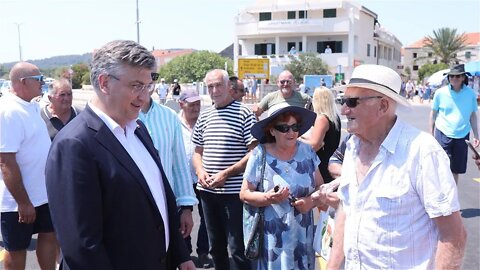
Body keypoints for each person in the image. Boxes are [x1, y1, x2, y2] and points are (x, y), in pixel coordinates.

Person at [45, 40, 194, 270]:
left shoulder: (138, 129)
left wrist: (180, 255)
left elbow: (159, 199)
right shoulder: (74, 145)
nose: (144, 97)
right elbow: (82, 247)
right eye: (136, 86)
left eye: (148, 86)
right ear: (105, 82)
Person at [327, 64, 466, 269]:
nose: (344, 110)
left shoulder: (422, 151)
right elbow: (346, 212)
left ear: (383, 106)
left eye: (352, 102)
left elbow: (453, 235)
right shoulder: (352, 146)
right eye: (342, 101)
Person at [240, 104, 323, 269]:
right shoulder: (259, 153)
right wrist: (267, 198)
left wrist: (310, 201)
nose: (291, 132)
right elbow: (244, 193)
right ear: (272, 131)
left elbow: (321, 188)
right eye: (284, 128)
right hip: (271, 239)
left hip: (302, 236)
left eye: (295, 127)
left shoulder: (308, 152)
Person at [192, 69, 257, 269]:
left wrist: (226, 174)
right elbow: (197, 152)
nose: (214, 90)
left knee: (237, 246)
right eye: (210, 86)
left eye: (218, 85)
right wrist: (200, 172)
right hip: (208, 192)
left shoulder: (244, 113)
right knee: (215, 246)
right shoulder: (205, 115)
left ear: (229, 86)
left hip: (234, 193)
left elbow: (254, 154)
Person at [0, 62, 58, 270]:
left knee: (49, 236)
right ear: (23, 82)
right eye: (39, 80)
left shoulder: (31, 106)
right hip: (17, 200)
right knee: (16, 249)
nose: (43, 83)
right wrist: (23, 202)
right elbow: (6, 161)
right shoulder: (9, 111)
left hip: (42, 194)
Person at [138, 83, 199, 249]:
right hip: (133, 210)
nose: (147, 81)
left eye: (152, 76)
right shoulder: (121, 116)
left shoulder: (169, 116)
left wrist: (186, 208)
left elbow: (179, 165)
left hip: (166, 207)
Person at [178, 89, 213, 268]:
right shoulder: (174, 123)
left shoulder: (205, 122)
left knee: (206, 217)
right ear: (181, 104)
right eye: (191, 104)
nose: (195, 108)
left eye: (198, 104)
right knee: (182, 217)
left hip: (201, 177)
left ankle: (203, 252)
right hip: (180, 179)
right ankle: (184, 253)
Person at [430, 64, 479, 184]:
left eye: (457, 76)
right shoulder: (440, 93)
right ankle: (441, 195)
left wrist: (476, 135)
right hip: (443, 132)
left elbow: (472, 115)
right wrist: (431, 133)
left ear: (463, 77)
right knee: (442, 166)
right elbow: (433, 113)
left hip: (462, 135)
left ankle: (452, 195)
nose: (453, 79)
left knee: (456, 169)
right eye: (451, 76)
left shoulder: (471, 94)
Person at [300, 86, 341, 183]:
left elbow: (314, 145)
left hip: (321, 164)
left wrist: (298, 140)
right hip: (330, 160)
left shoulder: (322, 119)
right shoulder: (334, 117)